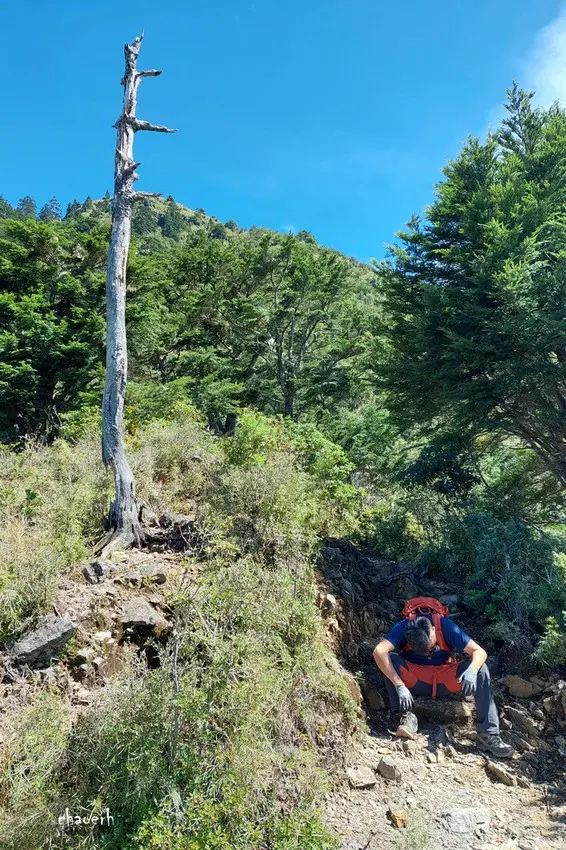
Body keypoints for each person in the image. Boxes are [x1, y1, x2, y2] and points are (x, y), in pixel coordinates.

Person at [373, 607, 514, 758]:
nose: (427, 651)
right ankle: (406, 715)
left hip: (444, 680)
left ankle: (488, 734)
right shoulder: (403, 627)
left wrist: (472, 670)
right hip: (414, 680)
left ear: (433, 629)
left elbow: (479, 652)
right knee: (390, 660)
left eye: (430, 645)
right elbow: (379, 651)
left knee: (481, 669)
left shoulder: (446, 627)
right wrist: (399, 685)